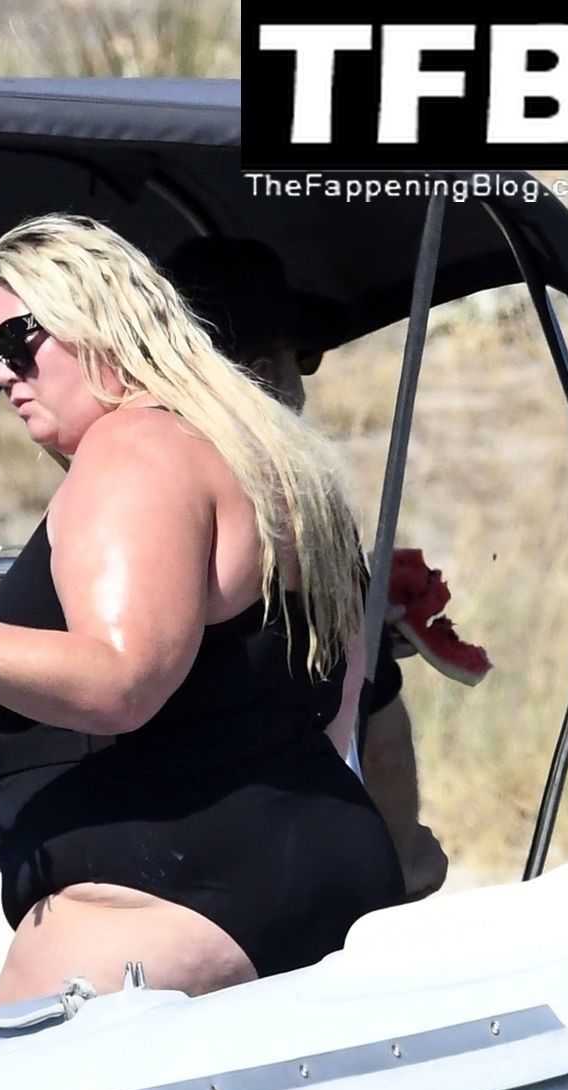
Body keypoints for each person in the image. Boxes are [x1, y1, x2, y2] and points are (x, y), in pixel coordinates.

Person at [0, 214, 405, 1004]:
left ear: (101, 319)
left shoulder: (133, 449)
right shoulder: (268, 454)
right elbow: (340, 694)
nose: (3, 374)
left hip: (164, 903)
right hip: (299, 864)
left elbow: (121, 680)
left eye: (18, 342)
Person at [164, 237, 449, 900]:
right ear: (263, 372)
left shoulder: (129, 485)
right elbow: (381, 748)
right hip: (287, 861)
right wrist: (400, 866)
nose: (305, 383)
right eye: (305, 359)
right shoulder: (305, 508)